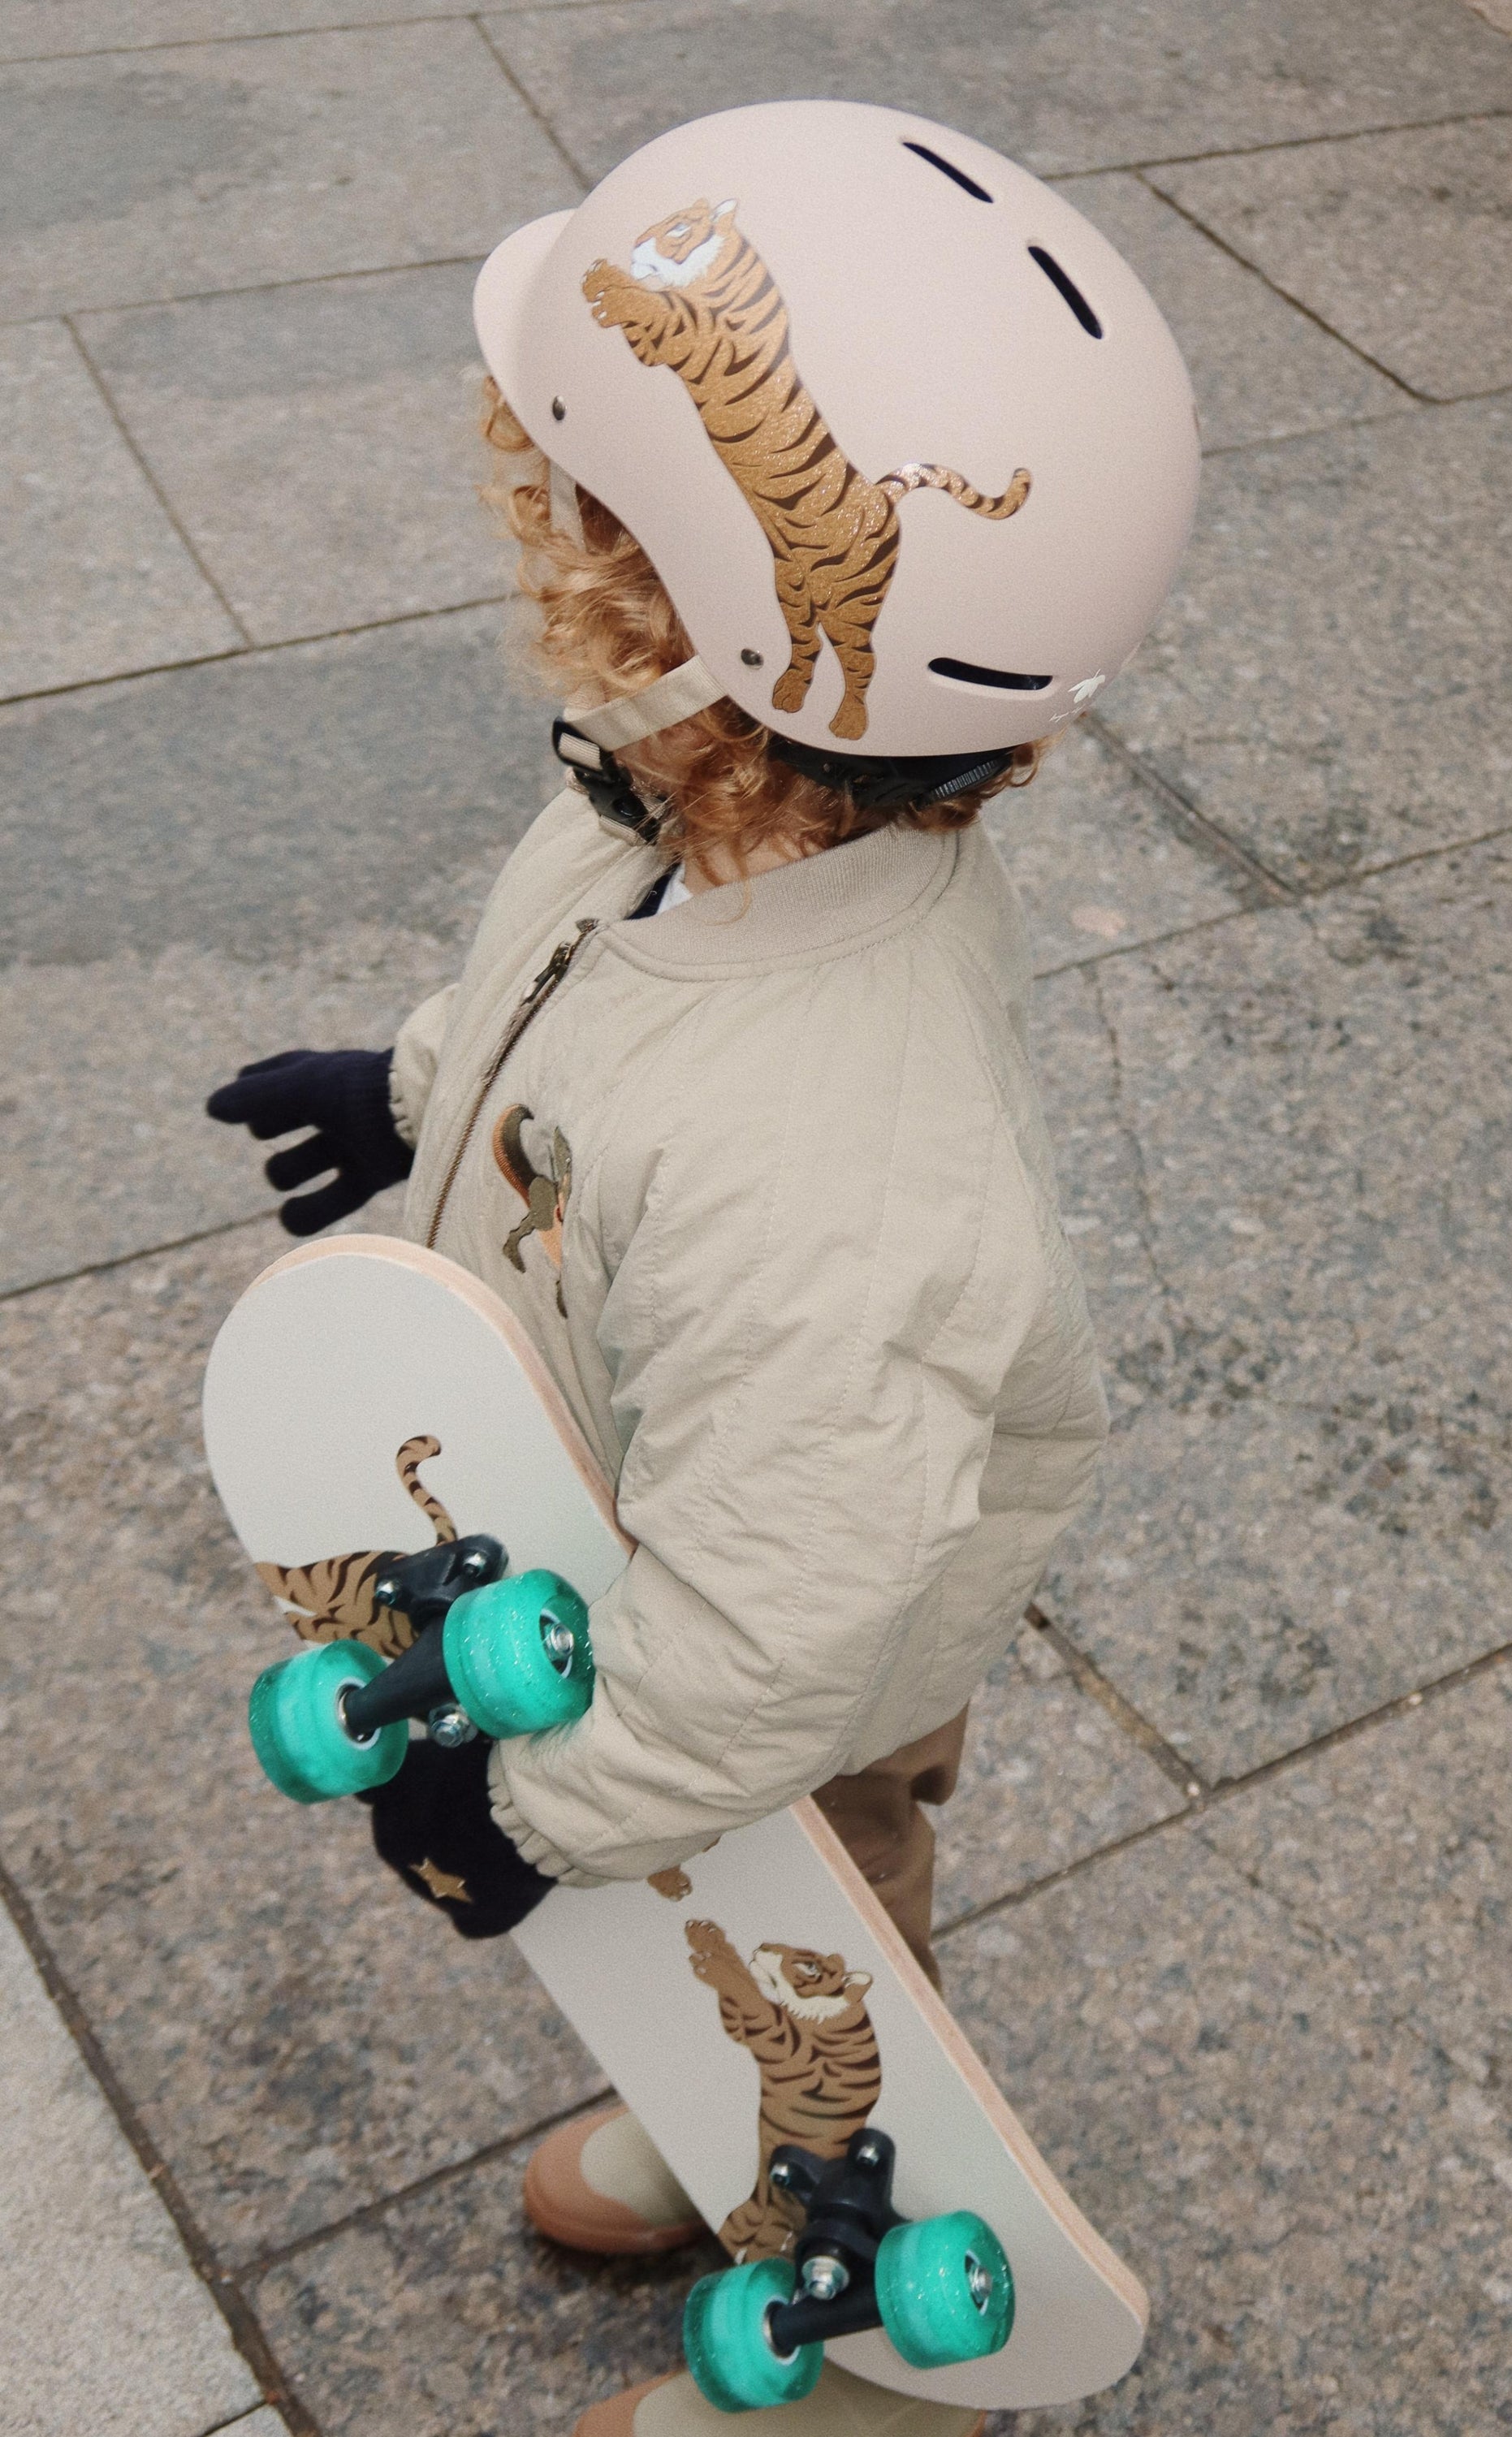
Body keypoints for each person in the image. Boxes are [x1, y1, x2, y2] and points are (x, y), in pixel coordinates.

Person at [209, 99, 1197, 2437]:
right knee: (721, 1922)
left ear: (694, 611)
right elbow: (594, 1017)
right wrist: (429, 1086)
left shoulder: (835, 1180)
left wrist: (542, 1810)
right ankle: (719, 2100)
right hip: (681, 1523)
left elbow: (774, 1630)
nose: (537, 522)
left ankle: (880, 2366)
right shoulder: (698, 807)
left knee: (805, 1915)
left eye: (575, 499)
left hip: (788, 1654)